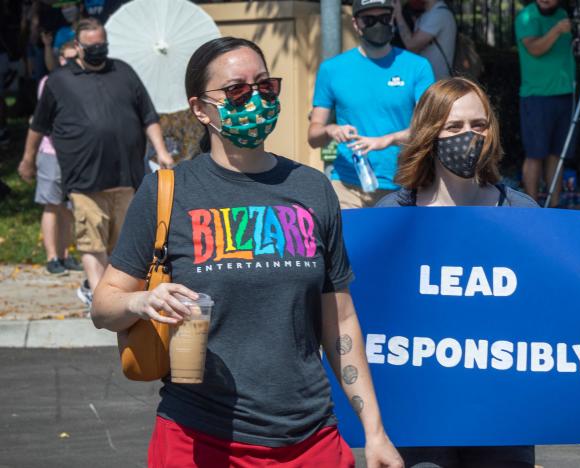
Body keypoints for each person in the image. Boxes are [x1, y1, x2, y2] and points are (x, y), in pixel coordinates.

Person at [91, 36, 403, 468]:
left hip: (309, 440)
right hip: (199, 440)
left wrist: (374, 430)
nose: (255, 99)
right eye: (237, 90)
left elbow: (341, 319)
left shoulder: (312, 188)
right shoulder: (169, 191)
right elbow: (104, 307)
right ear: (200, 109)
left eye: (264, 86)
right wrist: (142, 300)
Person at [377, 77, 580, 467]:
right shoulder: (393, 216)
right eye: (454, 127)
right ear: (429, 133)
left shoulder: (521, 213)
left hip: (504, 420)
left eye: (479, 125)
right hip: (421, 418)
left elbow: (555, 299)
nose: (469, 136)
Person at [17, 18, 173, 307]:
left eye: (102, 45)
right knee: (92, 242)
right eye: (91, 46)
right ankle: (103, 301)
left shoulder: (123, 72)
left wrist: (161, 151)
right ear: (77, 46)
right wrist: (28, 160)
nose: (98, 50)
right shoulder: (59, 81)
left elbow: (147, 115)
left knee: (122, 245)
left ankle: (104, 291)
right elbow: (38, 126)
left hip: (127, 177)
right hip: (84, 178)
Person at [308, 0, 434, 209]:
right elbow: (313, 136)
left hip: (405, 185)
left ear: (393, 18)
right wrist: (331, 129)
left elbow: (430, 129)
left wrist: (386, 140)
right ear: (356, 23)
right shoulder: (332, 69)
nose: (378, 25)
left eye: (384, 18)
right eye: (369, 19)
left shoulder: (417, 67)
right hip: (348, 186)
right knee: (349, 242)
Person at [514, 0, 575, 207]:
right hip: (537, 95)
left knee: (556, 155)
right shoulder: (526, 17)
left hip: (564, 93)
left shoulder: (562, 14)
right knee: (535, 155)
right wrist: (557, 30)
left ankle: (554, 207)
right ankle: (532, 208)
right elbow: (535, 49)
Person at [34, 42, 82, 275]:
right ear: (59, 58)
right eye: (67, 58)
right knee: (52, 204)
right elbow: (50, 120)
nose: (70, 62)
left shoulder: (84, 82)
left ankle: (64, 254)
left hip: (76, 154)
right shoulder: (49, 82)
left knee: (69, 207)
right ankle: (52, 256)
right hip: (51, 152)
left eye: (76, 57)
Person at [392, 0, 457, 80]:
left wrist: (398, 14)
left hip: (436, 83)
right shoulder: (429, 14)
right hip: (429, 80)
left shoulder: (439, 14)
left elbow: (412, 46)